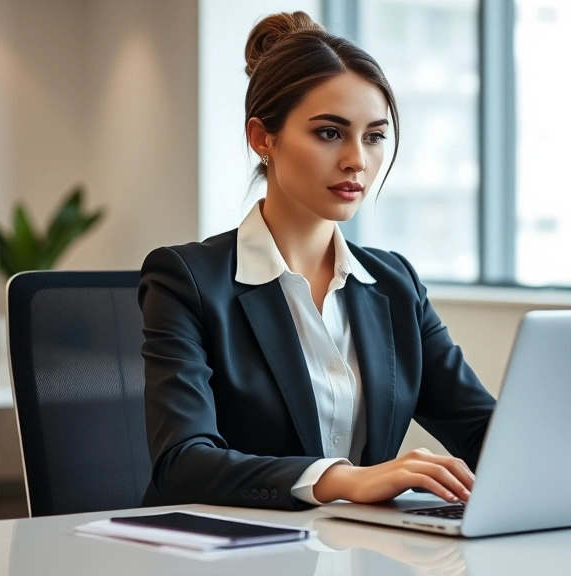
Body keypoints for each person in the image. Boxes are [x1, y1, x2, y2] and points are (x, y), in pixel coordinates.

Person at [138, 11, 496, 511]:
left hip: (356, 550)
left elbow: (483, 430)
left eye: (374, 136)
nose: (357, 160)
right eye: (330, 133)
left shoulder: (394, 284)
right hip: (228, 552)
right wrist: (344, 480)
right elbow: (184, 464)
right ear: (263, 138)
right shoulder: (187, 281)